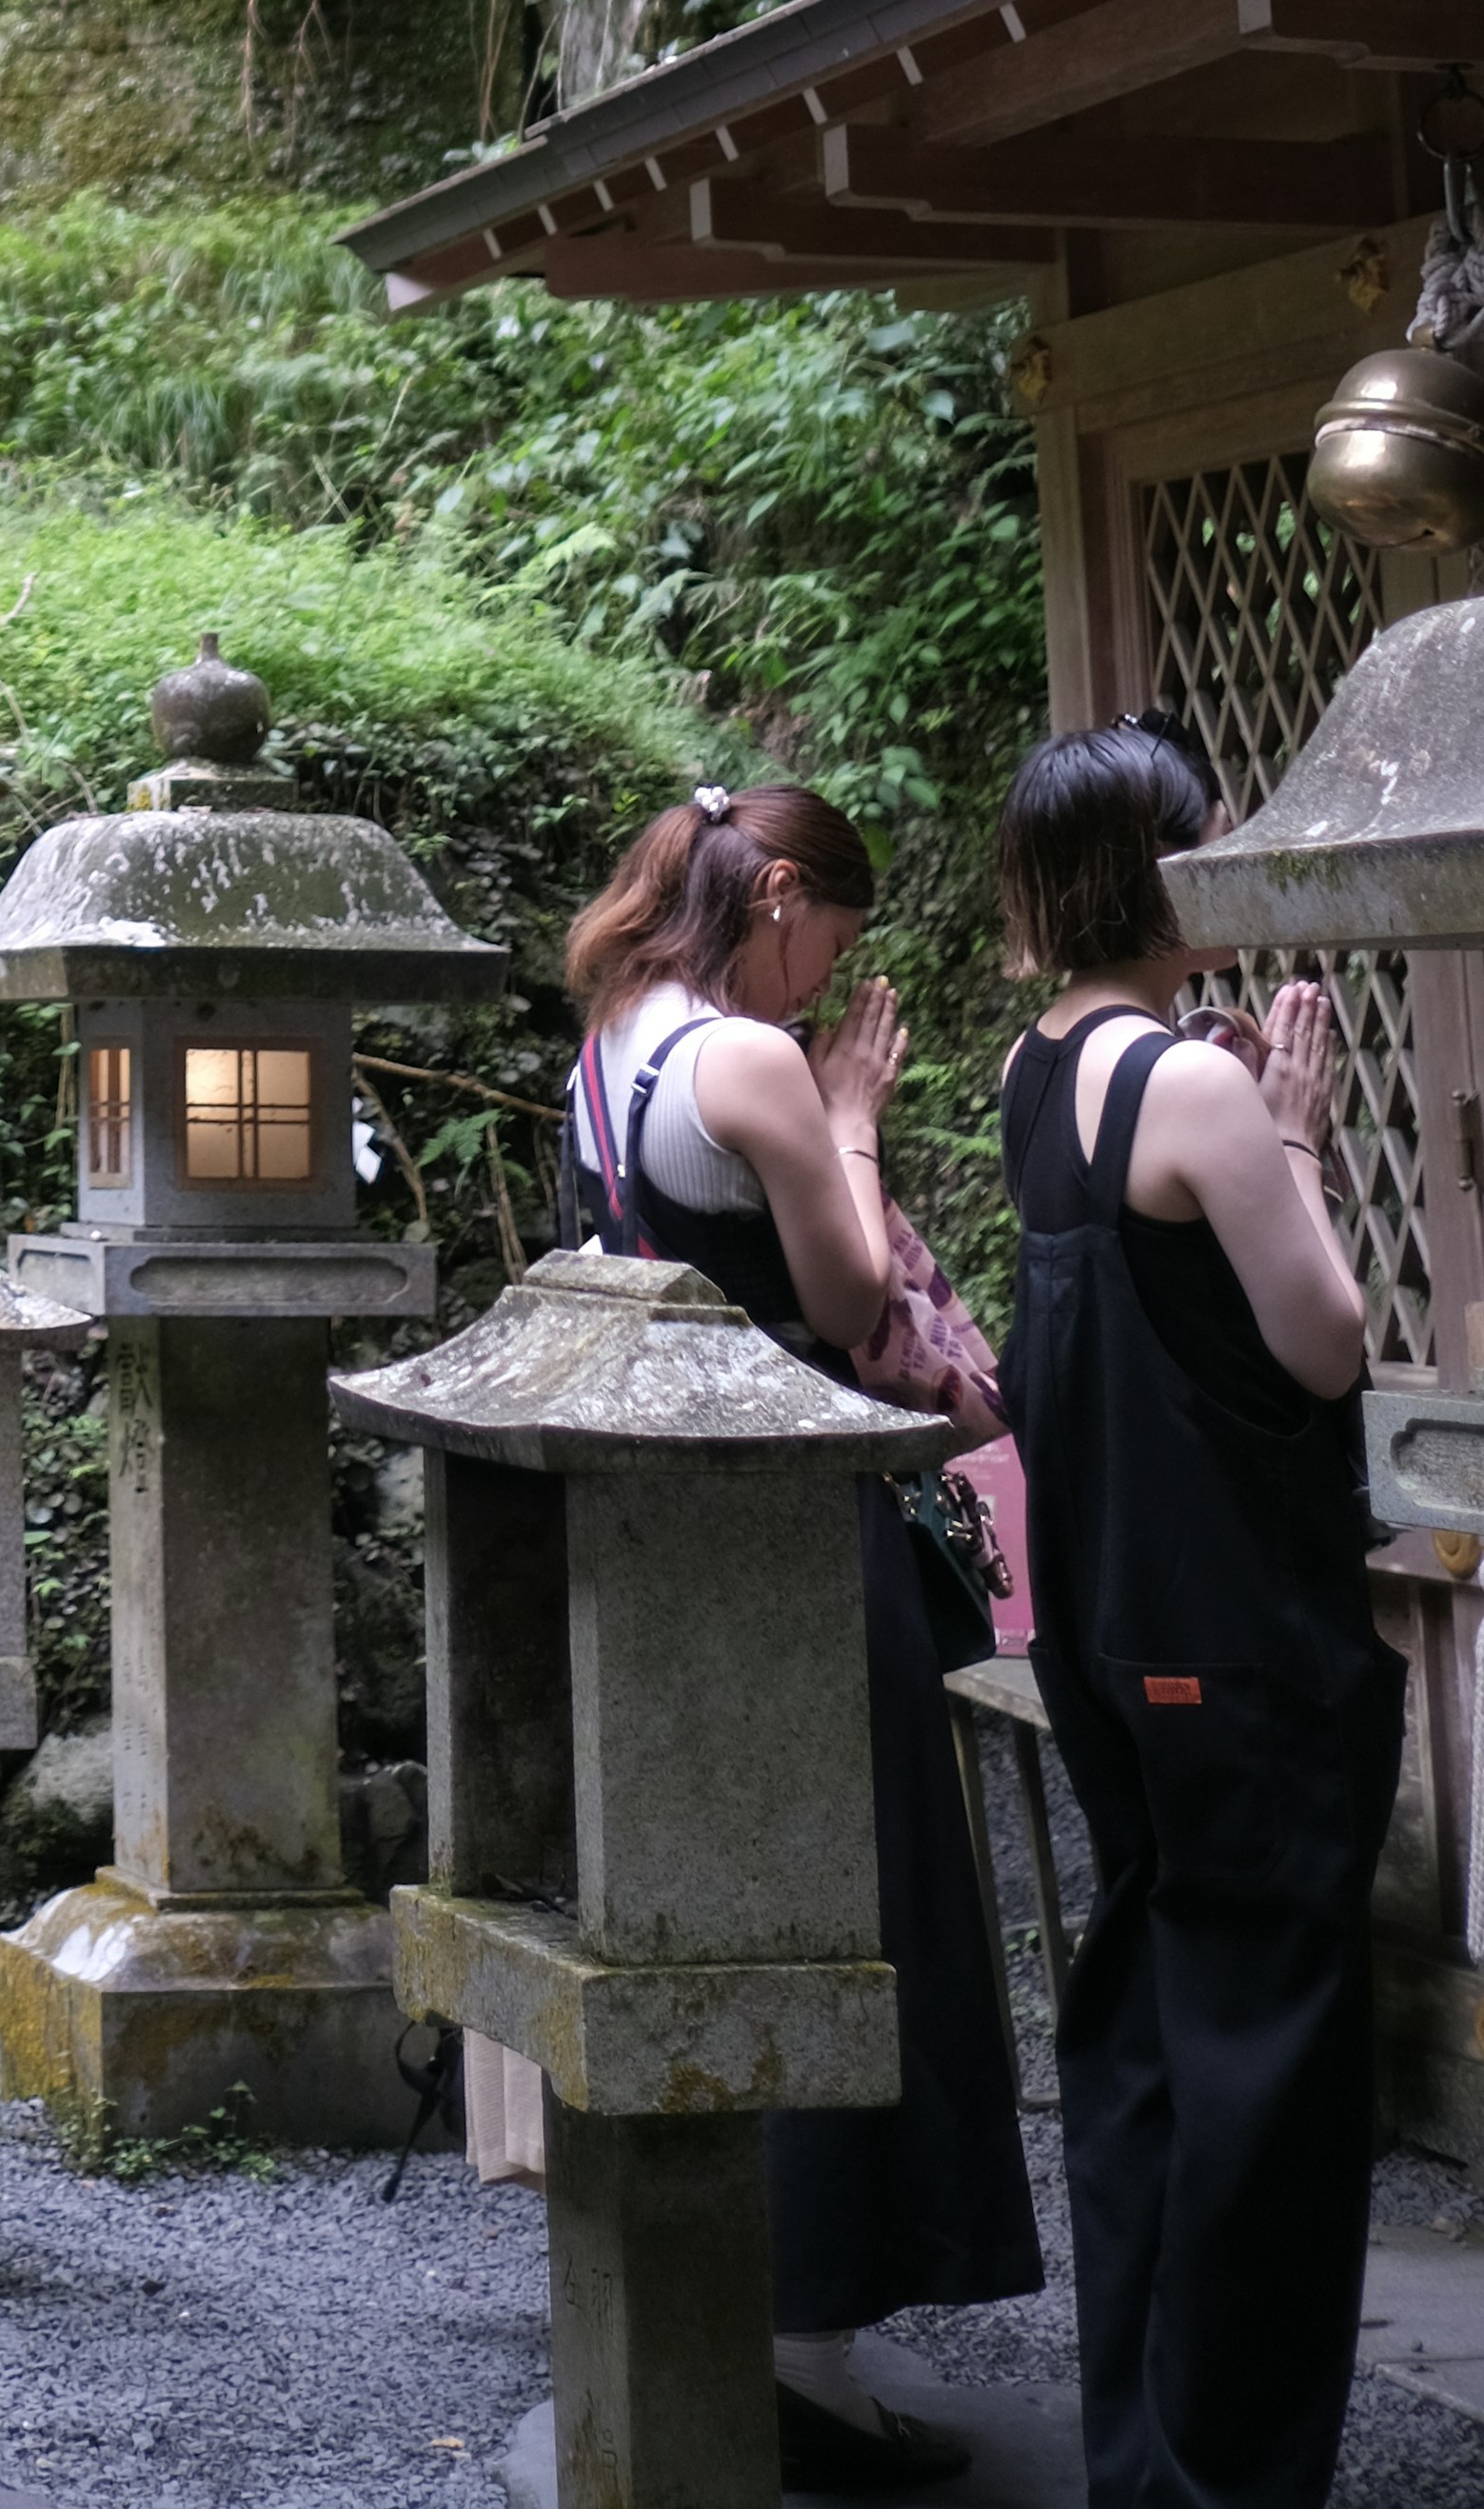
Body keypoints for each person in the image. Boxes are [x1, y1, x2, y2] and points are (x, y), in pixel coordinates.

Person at [564, 775, 1042, 2496]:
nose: (836, 974)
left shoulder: (614, 1041)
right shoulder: (754, 1062)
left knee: (720, 1885)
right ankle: (809, 2350)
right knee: (863, 1894)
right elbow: (841, 1307)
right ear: (775, 891)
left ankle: (743, 2311)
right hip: (799, 1518)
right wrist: (847, 1113)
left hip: (666, 1533)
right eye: (835, 929)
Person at [997, 715, 1400, 2509]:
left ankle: (1144, 2455)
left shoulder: (1043, 1065)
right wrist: (1296, 1131)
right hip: (1236, 1633)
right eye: (1210, 842)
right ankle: (1233, 2474)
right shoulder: (1204, 1087)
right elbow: (1324, 1346)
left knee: (1152, 2034)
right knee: (1273, 2068)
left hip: (1105, 1630)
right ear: (1151, 870)